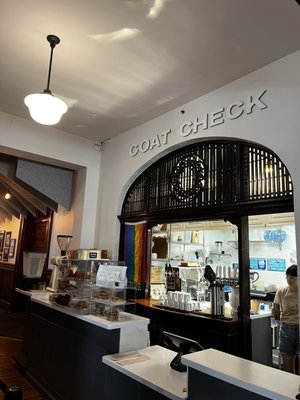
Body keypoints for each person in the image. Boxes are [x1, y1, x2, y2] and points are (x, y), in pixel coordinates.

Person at [273, 264, 299, 374]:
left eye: (293, 277)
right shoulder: (282, 292)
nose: (290, 280)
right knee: (287, 364)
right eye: (288, 277)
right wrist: (274, 312)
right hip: (286, 329)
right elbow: (276, 311)